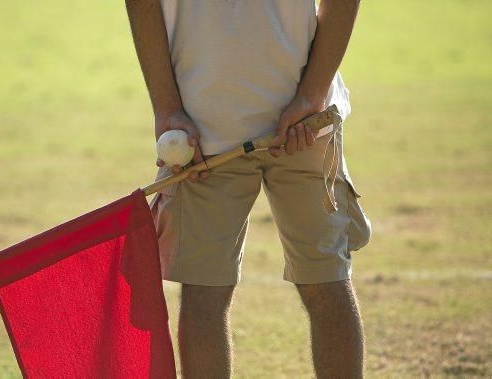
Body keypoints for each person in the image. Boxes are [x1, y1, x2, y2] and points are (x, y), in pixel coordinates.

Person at [126, 1, 371, 377]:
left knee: (326, 281)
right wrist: (167, 108)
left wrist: (312, 94)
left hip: (304, 123)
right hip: (203, 135)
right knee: (206, 291)